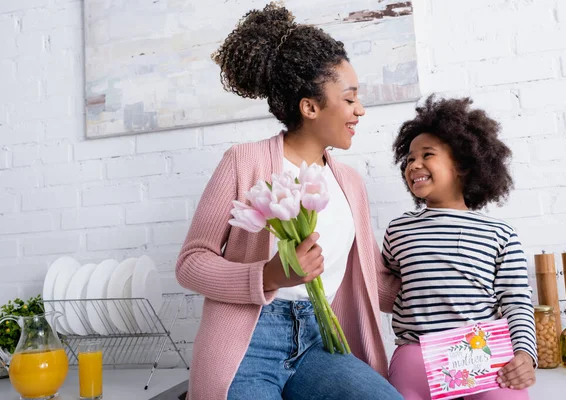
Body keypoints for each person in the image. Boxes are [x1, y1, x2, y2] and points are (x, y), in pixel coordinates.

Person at [176, 4, 403, 399]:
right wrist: (267, 276)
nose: (360, 110)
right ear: (310, 107)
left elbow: (375, 283)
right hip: (249, 342)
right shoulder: (243, 161)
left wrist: (439, 266)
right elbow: (191, 263)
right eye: (349, 99)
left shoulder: (350, 183)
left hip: (319, 340)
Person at [382, 95, 537, 400]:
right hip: (417, 356)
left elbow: (516, 302)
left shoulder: (500, 234)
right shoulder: (398, 230)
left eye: (427, 154)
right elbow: (384, 284)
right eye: (410, 158)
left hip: (483, 355)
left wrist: (525, 354)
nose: (414, 164)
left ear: (463, 165)